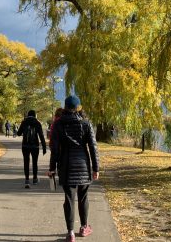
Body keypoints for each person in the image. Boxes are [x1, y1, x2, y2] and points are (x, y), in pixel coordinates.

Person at [48, 96, 99, 242]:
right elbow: (93, 147)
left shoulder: (58, 124)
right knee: (83, 198)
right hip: (83, 165)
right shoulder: (86, 123)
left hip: (66, 165)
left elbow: (55, 149)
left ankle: (70, 233)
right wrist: (96, 168)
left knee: (69, 199)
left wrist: (52, 168)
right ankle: (84, 227)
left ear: (65, 107)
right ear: (78, 108)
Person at [16, 110, 46, 188]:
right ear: (35, 115)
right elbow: (41, 136)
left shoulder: (24, 122)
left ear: (28, 115)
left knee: (26, 162)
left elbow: (18, 133)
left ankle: (27, 180)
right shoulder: (37, 123)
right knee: (34, 162)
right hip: (35, 146)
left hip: (25, 145)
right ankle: (35, 179)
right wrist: (44, 146)